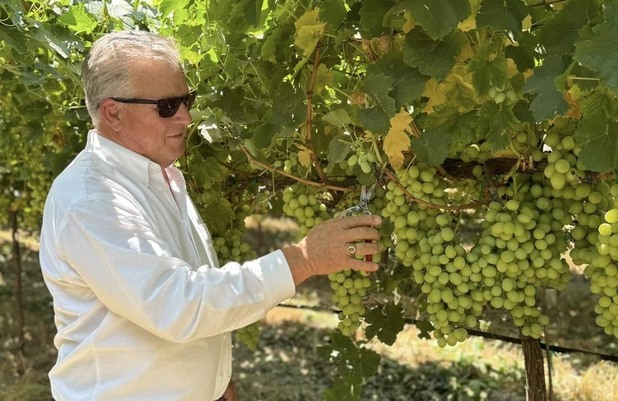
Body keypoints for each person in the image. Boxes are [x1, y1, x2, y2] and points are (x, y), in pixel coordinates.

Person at [38, 30, 381, 401]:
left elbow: (185, 289)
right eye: (168, 106)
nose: (186, 117)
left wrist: (212, 382)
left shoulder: (160, 176)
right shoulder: (93, 198)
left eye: (187, 100)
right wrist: (304, 259)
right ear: (113, 113)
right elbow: (178, 305)